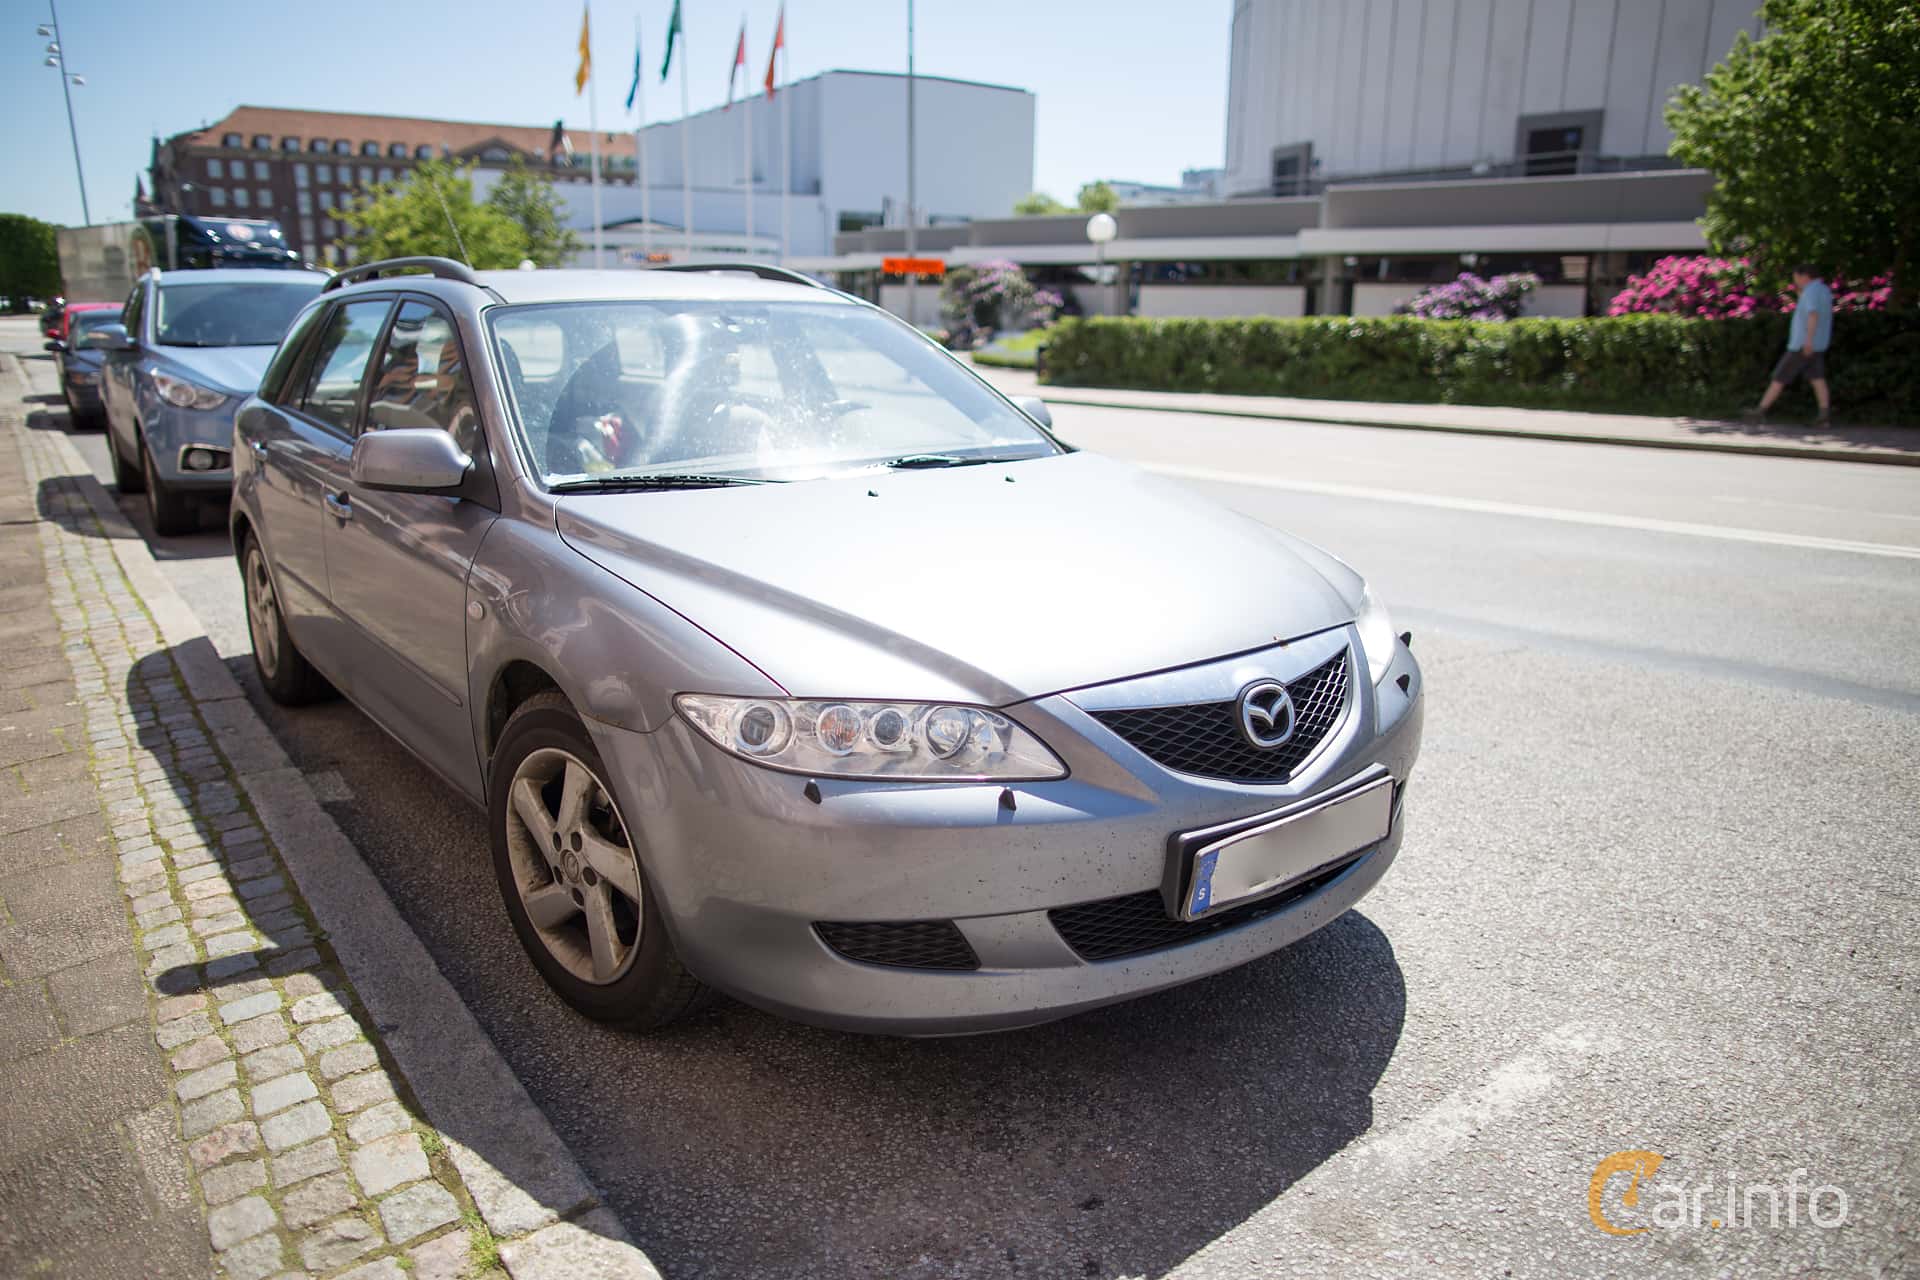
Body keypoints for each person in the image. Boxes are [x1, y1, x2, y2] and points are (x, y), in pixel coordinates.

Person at [1745, 265, 1834, 427]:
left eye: (1796, 277)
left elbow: (1813, 315)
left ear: (1804, 276)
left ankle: (1760, 411)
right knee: (1817, 379)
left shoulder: (1810, 292)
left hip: (1802, 344)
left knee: (1779, 377)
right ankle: (1824, 415)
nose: (1796, 281)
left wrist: (1808, 340)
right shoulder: (1824, 291)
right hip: (1819, 344)